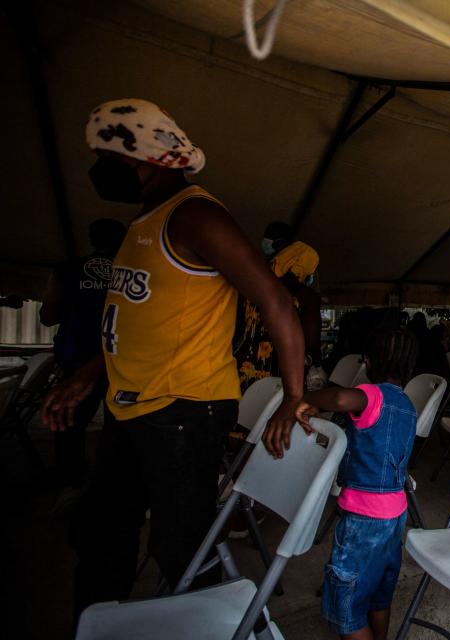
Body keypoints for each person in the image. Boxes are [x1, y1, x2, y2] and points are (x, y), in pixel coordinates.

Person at [41, 99, 305, 619]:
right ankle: (100, 627)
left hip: (184, 412)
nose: (99, 169)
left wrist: (293, 397)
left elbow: (275, 300)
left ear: (151, 158)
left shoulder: (197, 215)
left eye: (111, 158)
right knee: (103, 534)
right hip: (132, 408)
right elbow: (140, 323)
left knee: (181, 548)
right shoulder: (145, 221)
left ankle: (212, 626)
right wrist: (91, 373)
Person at [266, 329, 418, 640]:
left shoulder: (372, 394)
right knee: (379, 592)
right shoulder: (408, 405)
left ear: (370, 362)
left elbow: (338, 397)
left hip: (364, 519)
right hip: (395, 515)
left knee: (345, 608)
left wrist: (302, 397)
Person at [39, 218, 126, 498]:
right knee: (121, 425)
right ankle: (113, 482)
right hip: (119, 359)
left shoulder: (67, 271)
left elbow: (48, 315)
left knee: (69, 422)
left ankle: (71, 480)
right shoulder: (132, 273)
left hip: (77, 356)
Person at [235, 239, 320, 391]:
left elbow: (237, 332)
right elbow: (311, 344)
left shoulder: (251, 292)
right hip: (282, 378)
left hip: (243, 370)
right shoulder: (306, 297)